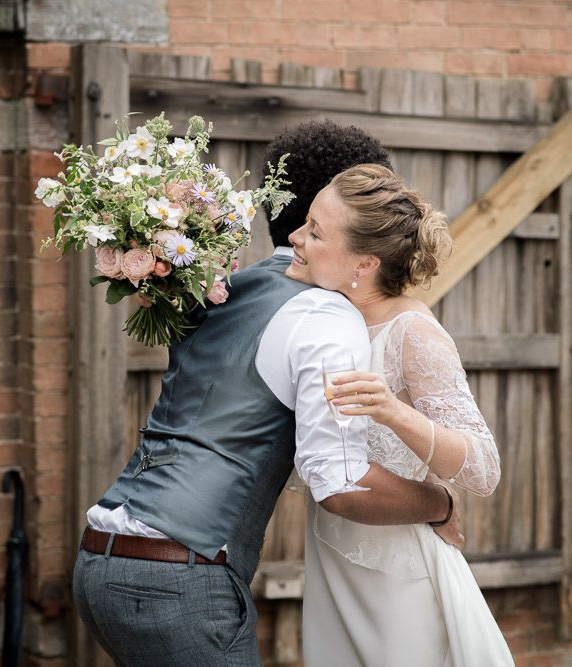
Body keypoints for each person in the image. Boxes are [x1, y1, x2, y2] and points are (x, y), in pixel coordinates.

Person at [72, 121, 462, 667]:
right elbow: (340, 482)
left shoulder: (222, 289)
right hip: (179, 577)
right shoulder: (326, 315)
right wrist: (440, 504)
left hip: (99, 556)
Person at [294, 163, 513, 666]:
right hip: (332, 557)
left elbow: (484, 469)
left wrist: (393, 412)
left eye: (315, 232)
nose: (296, 238)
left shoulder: (412, 331)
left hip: (399, 579)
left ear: (365, 262)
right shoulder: (323, 316)